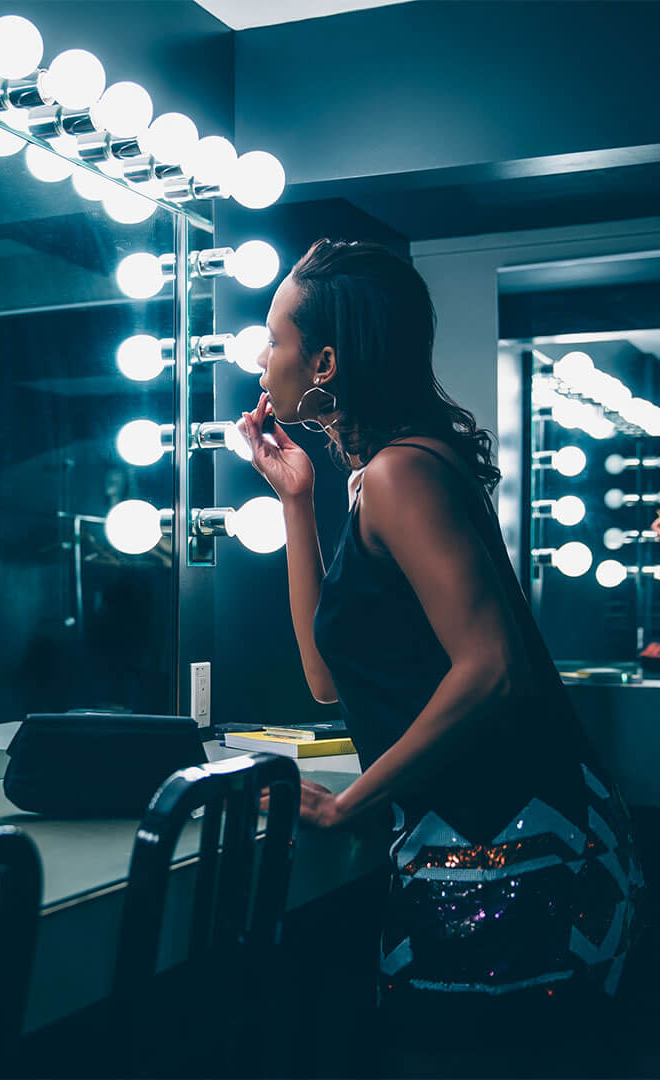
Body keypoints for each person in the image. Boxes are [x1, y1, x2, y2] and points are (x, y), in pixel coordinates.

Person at [241, 239, 649, 1077]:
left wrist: (352, 802)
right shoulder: (375, 478)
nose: (260, 353)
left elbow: (491, 667)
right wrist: (297, 503)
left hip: (515, 848)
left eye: (273, 337)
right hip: (468, 844)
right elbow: (329, 682)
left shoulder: (403, 474)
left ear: (324, 361)